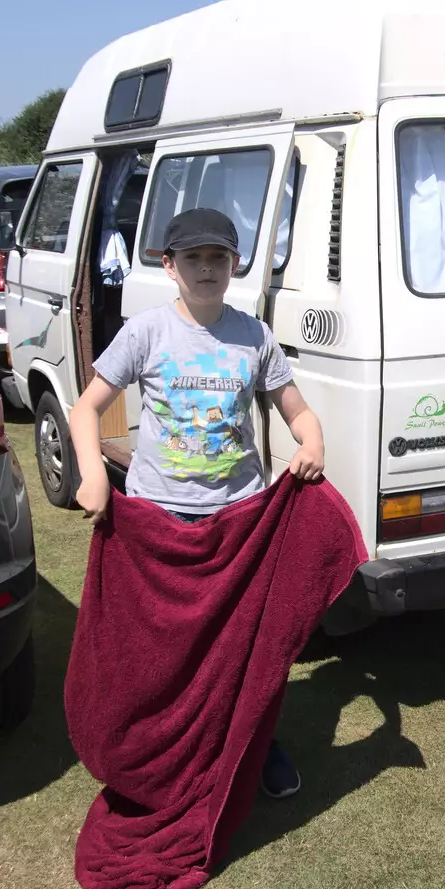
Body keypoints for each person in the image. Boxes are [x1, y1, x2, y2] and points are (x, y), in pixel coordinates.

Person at [68, 206, 325, 799]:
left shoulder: (254, 336)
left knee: (244, 645)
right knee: (164, 651)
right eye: (193, 258)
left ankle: (257, 746)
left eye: (218, 258)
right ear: (169, 265)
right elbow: (86, 409)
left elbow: (297, 410)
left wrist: (311, 440)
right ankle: (163, 756)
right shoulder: (146, 332)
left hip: (239, 519)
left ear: (235, 265)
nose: (206, 269)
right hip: (159, 519)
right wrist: (93, 477)